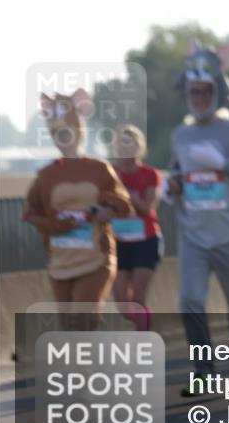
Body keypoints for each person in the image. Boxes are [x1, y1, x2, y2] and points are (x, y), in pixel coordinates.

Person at [168, 41, 229, 396]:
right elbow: (179, 174)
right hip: (193, 233)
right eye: (195, 91)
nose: (200, 96)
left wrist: (222, 164)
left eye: (206, 90)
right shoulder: (180, 134)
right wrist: (171, 185)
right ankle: (203, 369)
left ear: (217, 92)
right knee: (190, 300)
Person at [23, 90, 133, 330]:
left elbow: (124, 205)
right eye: (55, 133)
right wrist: (53, 226)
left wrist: (106, 209)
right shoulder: (46, 176)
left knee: (83, 319)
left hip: (96, 257)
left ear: (78, 131)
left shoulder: (100, 169)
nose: (60, 137)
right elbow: (30, 212)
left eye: (65, 132)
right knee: (69, 327)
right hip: (60, 261)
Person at [111, 124, 163, 331]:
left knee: (138, 297)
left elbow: (147, 207)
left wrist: (124, 194)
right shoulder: (110, 173)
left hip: (146, 240)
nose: (126, 151)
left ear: (138, 147)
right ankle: (142, 324)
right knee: (122, 303)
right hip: (118, 241)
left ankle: (143, 339)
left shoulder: (150, 174)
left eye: (130, 145)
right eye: (121, 146)